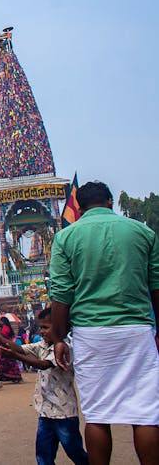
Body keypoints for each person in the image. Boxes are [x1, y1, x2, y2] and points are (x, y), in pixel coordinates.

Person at [49, 181, 159, 465]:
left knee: (97, 415)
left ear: (79, 207)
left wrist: (59, 338)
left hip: (91, 333)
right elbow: (156, 285)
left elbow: (61, 293)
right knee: (145, 414)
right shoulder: (142, 232)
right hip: (137, 330)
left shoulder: (66, 237)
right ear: (110, 201)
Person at [0, 308, 88, 465]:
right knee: (43, 454)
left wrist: (15, 356)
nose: (42, 331)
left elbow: (43, 364)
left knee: (75, 452)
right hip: (46, 411)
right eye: (41, 327)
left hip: (64, 413)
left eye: (46, 327)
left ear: (60, 328)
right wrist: (1, 338)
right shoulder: (42, 345)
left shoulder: (66, 347)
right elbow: (21, 349)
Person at [0, 317, 23, 383]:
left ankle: (14, 376)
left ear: (3, 321)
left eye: (1, 321)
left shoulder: (6, 328)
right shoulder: (3, 328)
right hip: (3, 346)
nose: (0, 322)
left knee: (5, 362)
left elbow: (3, 337)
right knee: (2, 362)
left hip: (5, 346)